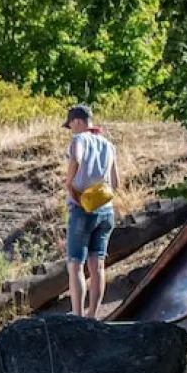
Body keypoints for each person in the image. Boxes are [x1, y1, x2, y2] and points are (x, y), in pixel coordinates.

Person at [63, 104, 120, 318]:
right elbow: (116, 182)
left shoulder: (78, 140)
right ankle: (93, 315)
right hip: (105, 209)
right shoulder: (108, 144)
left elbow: (76, 159)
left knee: (75, 265)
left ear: (77, 121)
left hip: (81, 208)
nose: (71, 130)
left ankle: (78, 315)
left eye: (70, 125)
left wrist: (69, 184)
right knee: (98, 266)